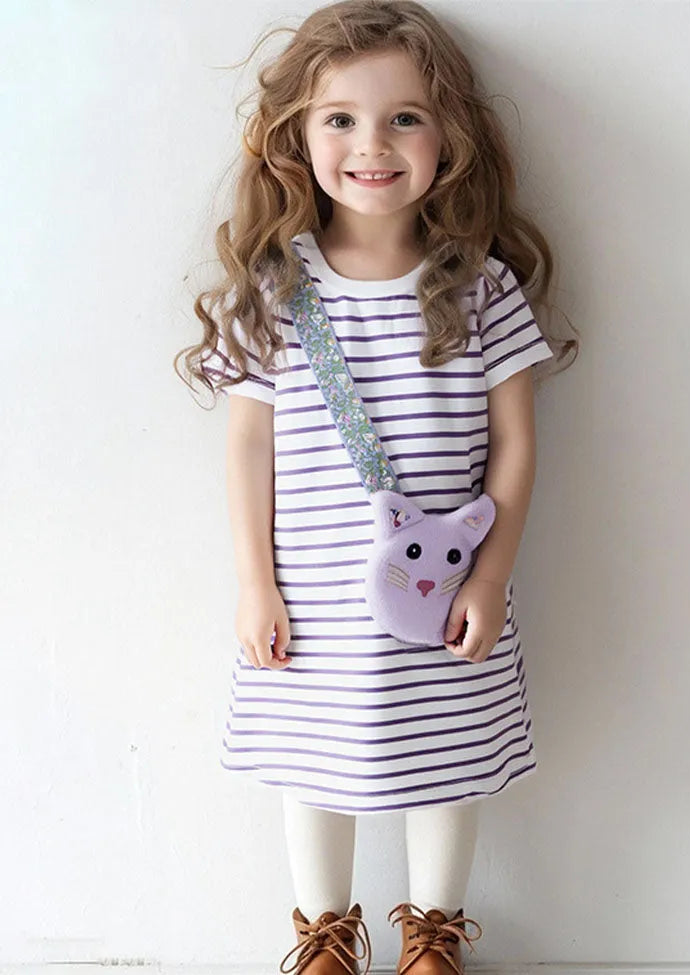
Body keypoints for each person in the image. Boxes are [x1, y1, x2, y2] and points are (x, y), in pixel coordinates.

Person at [175, 2, 577, 974]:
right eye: (341, 119)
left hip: (448, 594)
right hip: (312, 596)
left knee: (450, 759)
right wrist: (255, 583)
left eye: (405, 117)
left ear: (450, 136)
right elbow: (249, 448)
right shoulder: (277, 290)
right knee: (312, 765)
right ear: (296, 137)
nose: (372, 144)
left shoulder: (482, 288)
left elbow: (517, 445)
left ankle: (432, 934)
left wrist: (491, 578)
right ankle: (324, 936)